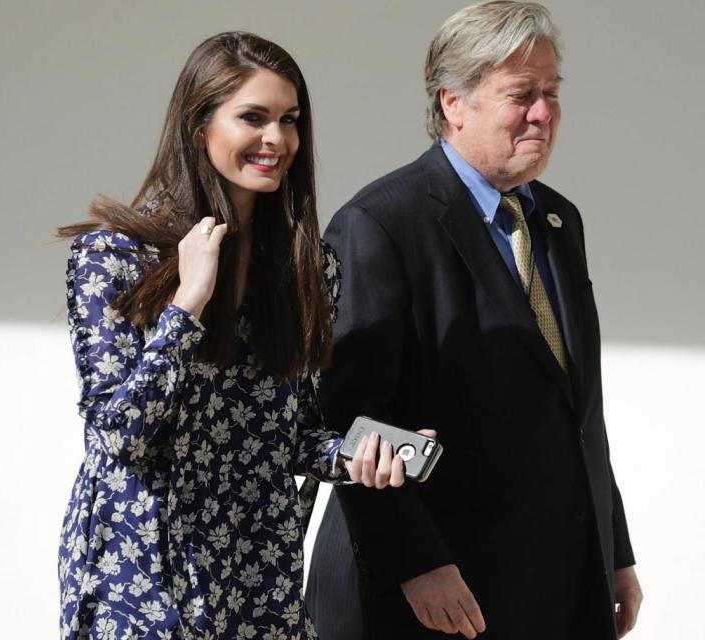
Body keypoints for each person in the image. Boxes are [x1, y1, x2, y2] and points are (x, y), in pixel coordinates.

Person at [57, 32, 418, 640]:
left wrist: (362, 458)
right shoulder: (112, 258)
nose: (277, 139)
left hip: (258, 568)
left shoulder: (308, 268)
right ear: (199, 126)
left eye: (290, 120)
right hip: (143, 568)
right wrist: (187, 303)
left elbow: (286, 438)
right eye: (253, 117)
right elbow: (118, 435)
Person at [305, 3, 642, 640]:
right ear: (453, 103)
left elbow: (576, 412)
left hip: (556, 583)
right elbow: (350, 422)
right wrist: (418, 563)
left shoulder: (557, 222)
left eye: (551, 93)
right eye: (522, 95)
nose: (543, 112)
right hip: (433, 597)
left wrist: (613, 549)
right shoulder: (381, 224)